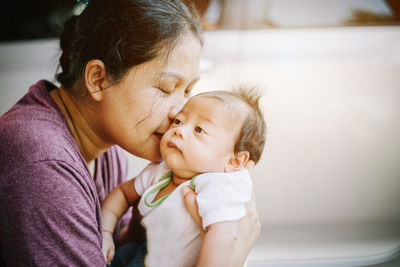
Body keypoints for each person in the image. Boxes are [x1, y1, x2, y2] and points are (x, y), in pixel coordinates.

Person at [0, 0, 260, 266]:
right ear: (99, 80)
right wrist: (233, 257)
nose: (179, 113)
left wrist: (151, 216)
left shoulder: (106, 146)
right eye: (165, 88)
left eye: (187, 91)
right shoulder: (42, 164)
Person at [101, 87, 267, 267]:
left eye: (199, 130)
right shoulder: (160, 171)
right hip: (138, 252)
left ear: (234, 161)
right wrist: (105, 232)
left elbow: (223, 237)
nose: (179, 131)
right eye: (179, 121)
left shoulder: (218, 186)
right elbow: (123, 194)